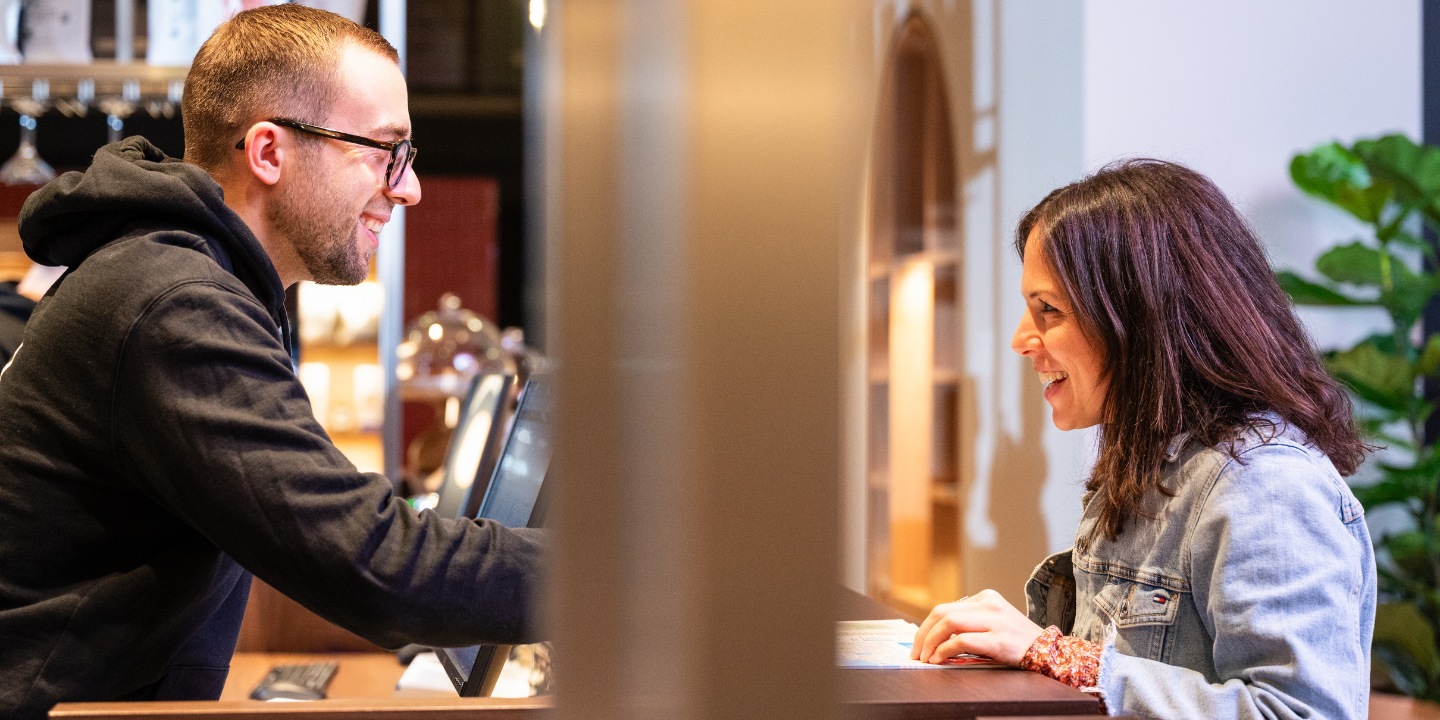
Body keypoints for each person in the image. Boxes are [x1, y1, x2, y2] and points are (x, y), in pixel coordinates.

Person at [0, 6, 546, 718]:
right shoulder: (174, 301)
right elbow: (372, 563)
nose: (406, 188)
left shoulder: (186, 277)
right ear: (268, 152)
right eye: (386, 151)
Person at [911, 159, 1376, 719]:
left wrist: (1052, 654)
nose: (1020, 340)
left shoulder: (1264, 483)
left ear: (1140, 316)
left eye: (1048, 310)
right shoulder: (1154, 465)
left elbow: (1299, 712)